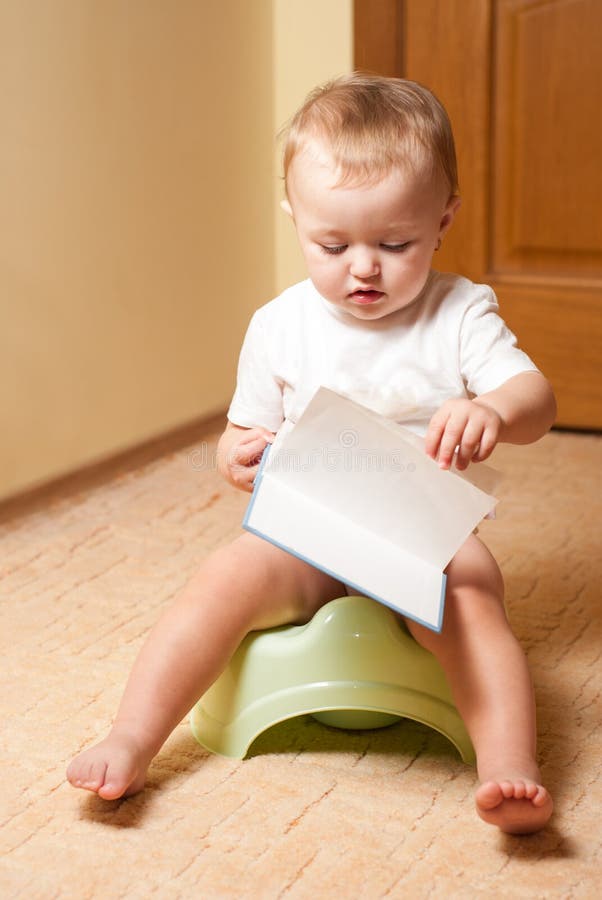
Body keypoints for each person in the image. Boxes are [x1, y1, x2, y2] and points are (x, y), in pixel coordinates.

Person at [67, 74, 556, 834]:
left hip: (422, 539)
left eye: (395, 243)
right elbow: (242, 435)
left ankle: (509, 766)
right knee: (221, 579)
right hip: (308, 532)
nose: (363, 267)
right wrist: (237, 456)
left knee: (474, 596)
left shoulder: (459, 313)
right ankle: (132, 736)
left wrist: (492, 407)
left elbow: (538, 400)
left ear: (443, 221)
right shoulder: (279, 324)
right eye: (332, 244)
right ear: (296, 218)